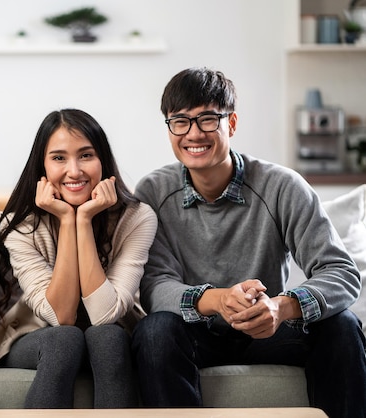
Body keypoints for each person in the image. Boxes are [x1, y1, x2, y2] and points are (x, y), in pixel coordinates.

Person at [131, 67, 366, 418]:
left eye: (208, 119)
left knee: (343, 325)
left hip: (269, 330)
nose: (193, 134)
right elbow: (153, 285)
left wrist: (282, 306)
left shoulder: (282, 186)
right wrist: (219, 300)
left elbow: (341, 273)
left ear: (232, 123)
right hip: (196, 331)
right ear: (169, 127)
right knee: (154, 332)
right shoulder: (153, 192)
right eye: (180, 121)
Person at [0, 109, 157, 408]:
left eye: (86, 155)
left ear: (103, 160)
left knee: (107, 336)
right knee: (65, 338)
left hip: (115, 339)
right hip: (40, 337)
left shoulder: (136, 218)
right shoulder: (20, 225)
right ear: (42, 166)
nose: (74, 170)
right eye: (59, 158)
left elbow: (104, 315)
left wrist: (83, 220)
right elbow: (61, 318)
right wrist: (68, 221)